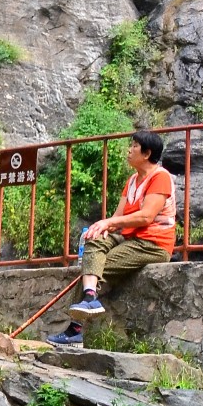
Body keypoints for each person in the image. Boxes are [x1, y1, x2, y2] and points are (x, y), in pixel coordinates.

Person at [47, 129, 175, 348]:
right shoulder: (133, 180)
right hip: (129, 239)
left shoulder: (160, 177)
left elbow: (146, 216)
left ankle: (75, 330)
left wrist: (108, 223)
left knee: (95, 267)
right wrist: (101, 229)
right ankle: (89, 298)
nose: (129, 150)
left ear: (146, 153)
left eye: (134, 146)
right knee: (94, 242)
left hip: (153, 244)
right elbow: (118, 217)